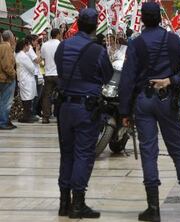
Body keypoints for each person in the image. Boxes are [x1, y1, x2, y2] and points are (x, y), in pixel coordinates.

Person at [118, 3, 180, 221]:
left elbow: (127, 79)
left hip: (143, 100)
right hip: (167, 99)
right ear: (160, 18)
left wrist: (124, 111)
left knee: (148, 152)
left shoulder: (135, 43)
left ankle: (153, 208)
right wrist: (170, 80)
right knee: (179, 150)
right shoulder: (175, 40)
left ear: (141, 19)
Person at [54, 8, 113, 219]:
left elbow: (60, 71)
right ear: (95, 26)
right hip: (86, 109)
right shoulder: (97, 50)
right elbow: (107, 75)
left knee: (66, 154)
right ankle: (78, 204)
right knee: (83, 155)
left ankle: (64, 203)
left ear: (77, 23)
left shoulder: (63, 46)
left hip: (64, 108)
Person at [41, 28, 61, 124]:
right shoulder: (61, 44)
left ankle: (45, 117)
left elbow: (43, 58)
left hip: (48, 73)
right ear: (57, 35)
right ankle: (60, 116)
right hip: (58, 74)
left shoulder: (45, 45)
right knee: (61, 95)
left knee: (47, 96)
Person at [15, 40, 37, 123]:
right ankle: (27, 117)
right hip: (26, 79)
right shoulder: (23, 56)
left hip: (24, 79)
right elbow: (32, 68)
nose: (29, 47)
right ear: (25, 46)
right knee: (27, 98)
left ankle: (28, 116)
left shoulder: (18, 54)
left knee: (26, 98)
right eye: (28, 46)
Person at [0, 30, 17, 130]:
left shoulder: (1, 46)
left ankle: (4, 120)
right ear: (10, 38)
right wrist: (13, 74)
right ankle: (3, 122)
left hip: (2, 78)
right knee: (6, 102)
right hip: (6, 79)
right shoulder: (6, 47)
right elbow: (7, 66)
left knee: (2, 101)